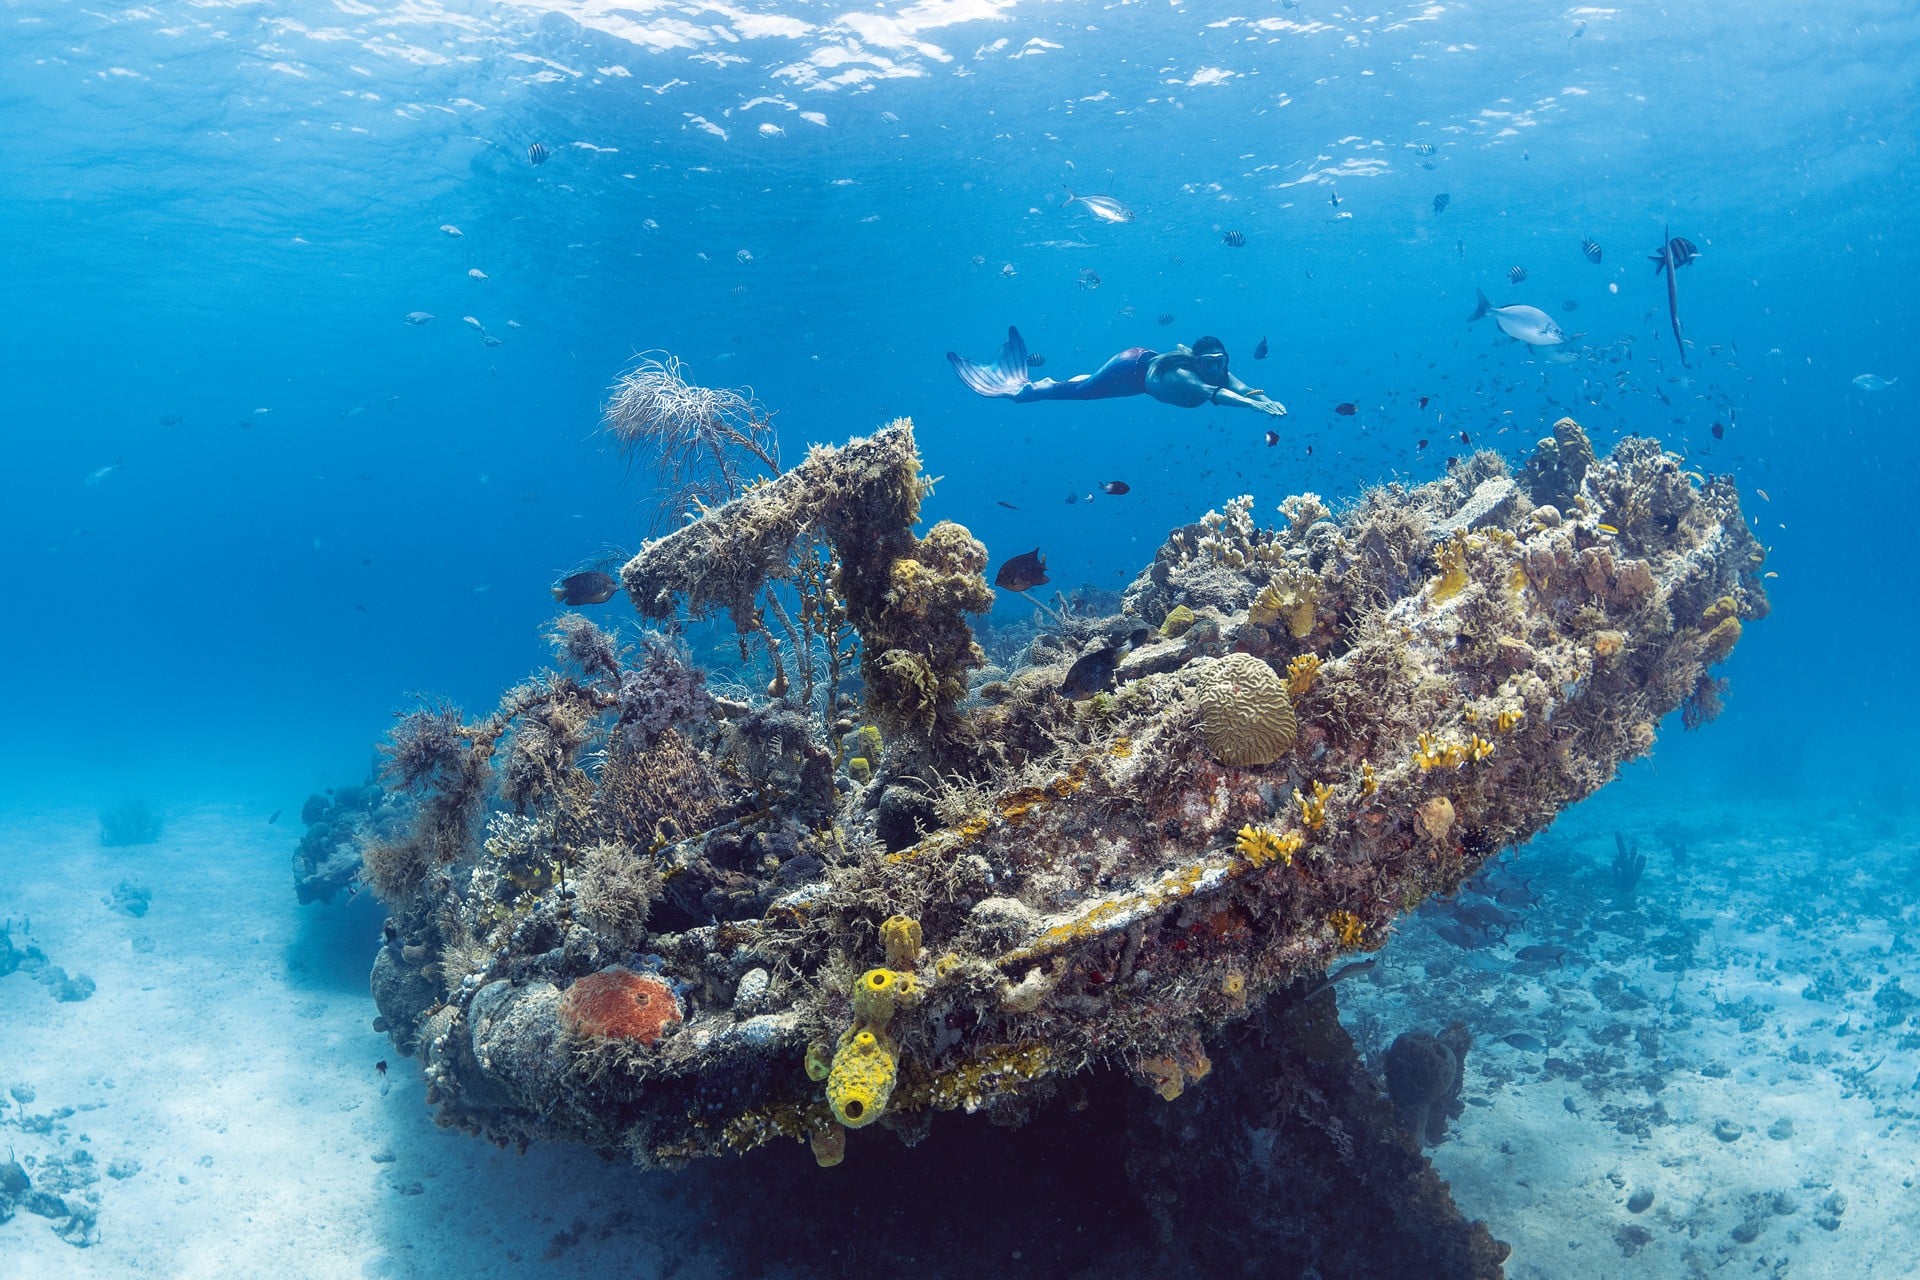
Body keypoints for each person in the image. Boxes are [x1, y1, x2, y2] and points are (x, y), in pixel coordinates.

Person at [947, 326, 1286, 417]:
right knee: (1081, 394)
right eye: (1209, 362)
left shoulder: (1219, 371)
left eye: (1220, 361)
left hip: (1142, 369)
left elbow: (1240, 386)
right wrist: (1255, 407)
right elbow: (1219, 396)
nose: (1216, 368)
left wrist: (1263, 397)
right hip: (1132, 369)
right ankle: (1021, 390)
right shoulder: (1190, 377)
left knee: (1088, 387)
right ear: (1198, 363)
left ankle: (1065, 381)